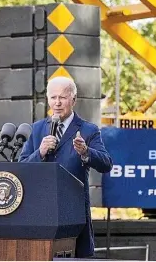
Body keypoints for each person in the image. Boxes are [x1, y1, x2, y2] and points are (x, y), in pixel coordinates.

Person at [19, 76, 113, 258]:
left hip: (74, 213)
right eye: (53, 98)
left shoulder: (88, 130)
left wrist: (86, 152)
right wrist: (40, 152)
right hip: (41, 212)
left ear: (73, 99)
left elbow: (106, 163)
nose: (57, 103)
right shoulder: (37, 129)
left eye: (62, 97)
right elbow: (22, 169)